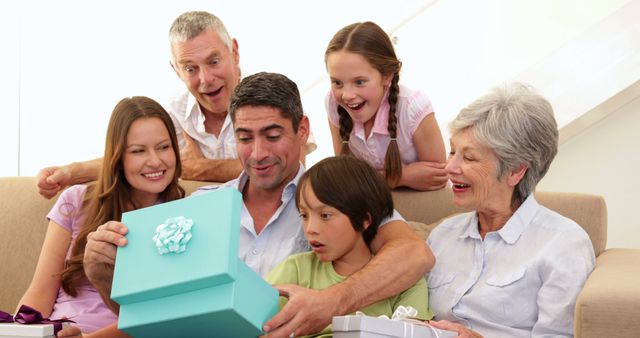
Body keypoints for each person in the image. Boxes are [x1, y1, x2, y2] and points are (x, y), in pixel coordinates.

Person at [58, 72, 434, 338]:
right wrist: (105, 273)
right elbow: (163, 319)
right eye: (244, 137)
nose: (258, 154)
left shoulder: (335, 196)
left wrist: (330, 302)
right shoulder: (201, 206)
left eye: (272, 136)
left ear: (302, 130)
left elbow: (414, 254)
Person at [35, 11, 315, 199]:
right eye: (190, 68)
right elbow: (129, 160)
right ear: (175, 70)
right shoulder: (171, 115)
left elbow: (291, 166)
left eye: (214, 61)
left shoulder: (271, 98)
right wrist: (70, 172)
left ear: (234, 51)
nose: (205, 79)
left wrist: (197, 168)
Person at [425, 83, 596, 338]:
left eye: (469, 158)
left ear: (516, 170)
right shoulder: (443, 235)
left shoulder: (563, 244)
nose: (450, 167)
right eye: (452, 152)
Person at [19, 96, 184, 335]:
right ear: (118, 157)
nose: (155, 161)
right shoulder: (75, 201)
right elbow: (40, 292)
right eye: (138, 151)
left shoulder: (181, 220)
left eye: (164, 147)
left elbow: (159, 320)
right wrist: (20, 330)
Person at [266, 155, 433, 337]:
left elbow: (415, 333)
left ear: (364, 220)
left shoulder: (405, 280)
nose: (310, 229)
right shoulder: (295, 270)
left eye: (325, 216)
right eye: (304, 216)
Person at [324, 21, 447, 191]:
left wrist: (370, 179)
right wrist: (401, 177)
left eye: (359, 82)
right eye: (337, 82)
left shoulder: (412, 107)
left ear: (387, 76)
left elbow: (437, 179)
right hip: (374, 205)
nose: (347, 95)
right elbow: (346, 177)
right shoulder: (333, 102)